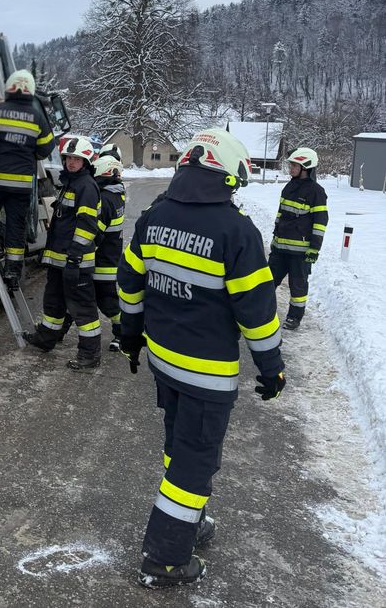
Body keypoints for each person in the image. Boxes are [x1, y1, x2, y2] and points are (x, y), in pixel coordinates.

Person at [117, 128, 286, 588]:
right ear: (226, 177)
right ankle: (165, 558)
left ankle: (193, 522)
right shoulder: (237, 232)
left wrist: (130, 338)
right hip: (207, 374)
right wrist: (272, 368)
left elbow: (129, 287)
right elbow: (258, 313)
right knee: (195, 460)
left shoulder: (153, 219)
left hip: (164, 363)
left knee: (179, 443)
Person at [23, 135, 102, 369]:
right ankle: (46, 339)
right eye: (68, 158)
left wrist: (75, 258)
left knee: (83, 310)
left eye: (77, 159)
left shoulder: (86, 187)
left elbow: (87, 227)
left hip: (75, 262)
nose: (71, 163)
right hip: (61, 261)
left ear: (86, 161)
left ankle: (89, 356)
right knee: (54, 302)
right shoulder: (70, 183)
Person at [0, 69, 55, 290]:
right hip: (21, 184)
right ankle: (12, 273)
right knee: (17, 226)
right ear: (30, 90)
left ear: (9, 88)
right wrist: (32, 153)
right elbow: (47, 148)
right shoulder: (37, 118)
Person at [269, 147, 329, 330]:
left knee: (298, 287)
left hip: (300, 253)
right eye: (291, 165)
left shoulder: (316, 192)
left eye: (294, 165)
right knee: (267, 282)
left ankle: (294, 318)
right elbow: (281, 215)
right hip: (280, 249)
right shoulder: (289, 187)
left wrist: (314, 248)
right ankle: (262, 312)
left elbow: (320, 222)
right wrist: (274, 238)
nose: (290, 168)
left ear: (306, 167)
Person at [92, 154, 126, 351]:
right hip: (109, 259)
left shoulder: (105, 200)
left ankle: (124, 333)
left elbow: (95, 234)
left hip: (102, 262)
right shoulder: (117, 194)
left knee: (108, 303)